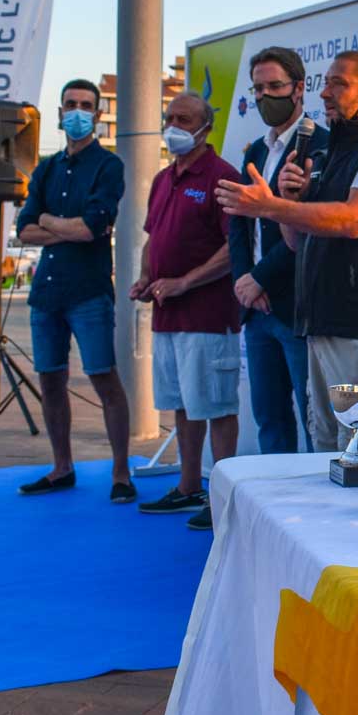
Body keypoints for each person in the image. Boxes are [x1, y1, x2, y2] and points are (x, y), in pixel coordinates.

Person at [214, 50, 358, 450]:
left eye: (338, 84)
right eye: (325, 83)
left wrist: (271, 205)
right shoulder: (328, 156)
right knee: (324, 456)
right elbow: (296, 242)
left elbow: (351, 220)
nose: (324, 93)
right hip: (322, 325)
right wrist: (294, 202)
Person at [14, 78, 134, 501]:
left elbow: (92, 228)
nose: (78, 111)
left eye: (86, 105)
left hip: (89, 290)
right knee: (49, 380)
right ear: (60, 111)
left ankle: (121, 473)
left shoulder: (109, 166)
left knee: (104, 378)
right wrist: (60, 225)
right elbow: (22, 229)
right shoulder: (46, 168)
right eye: (71, 104)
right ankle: (61, 467)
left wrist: (48, 220)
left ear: (98, 115)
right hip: (46, 293)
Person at [129, 93, 245, 530]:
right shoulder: (163, 179)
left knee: (216, 406)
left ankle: (224, 497)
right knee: (182, 404)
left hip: (209, 316)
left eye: (184, 119)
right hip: (166, 317)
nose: (173, 125)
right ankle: (188, 484)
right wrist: (146, 277)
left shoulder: (222, 176)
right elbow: (151, 239)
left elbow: (233, 249)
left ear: (205, 128)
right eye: (169, 117)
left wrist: (185, 281)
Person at [228, 47, 328, 454]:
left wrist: (260, 278)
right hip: (257, 310)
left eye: (274, 86)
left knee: (313, 422)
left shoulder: (321, 147)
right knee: (269, 418)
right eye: (258, 88)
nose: (265, 96)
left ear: (299, 88)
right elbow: (238, 221)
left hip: (297, 308)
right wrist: (243, 282)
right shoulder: (255, 149)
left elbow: (308, 228)